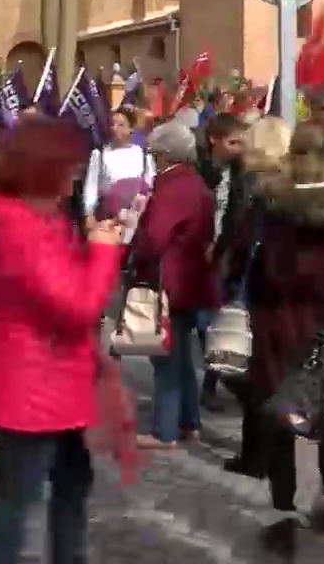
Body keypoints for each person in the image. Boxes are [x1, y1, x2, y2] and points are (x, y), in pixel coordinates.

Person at [0, 116, 124, 563]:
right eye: (69, 167)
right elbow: (78, 303)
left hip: (57, 381)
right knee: (17, 502)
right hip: (34, 390)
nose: (75, 176)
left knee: (71, 489)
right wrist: (102, 250)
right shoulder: (19, 227)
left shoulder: (41, 217)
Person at [226, 122, 324, 555]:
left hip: (276, 315)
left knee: (280, 403)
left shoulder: (269, 199)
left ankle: (286, 500)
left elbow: (242, 253)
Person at [130, 121, 218, 450]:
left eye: (154, 153)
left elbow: (153, 237)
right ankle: (188, 421)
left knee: (165, 358)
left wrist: (135, 240)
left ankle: (164, 430)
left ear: (166, 154)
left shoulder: (173, 186)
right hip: (190, 278)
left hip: (169, 279)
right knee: (180, 356)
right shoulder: (194, 182)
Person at [194, 112, 247, 410]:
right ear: (215, 140)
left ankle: (216, 380)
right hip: (201, 252)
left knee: (224, 317)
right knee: (205, 321)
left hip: (227, 252)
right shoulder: (200, 171)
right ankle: (211, 378)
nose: (238, 148)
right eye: (233, 142)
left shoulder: (242, 173)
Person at [81, 107, 155, 241]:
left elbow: (150, 185)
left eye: (121, 125)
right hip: (107, 219)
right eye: (112, 124)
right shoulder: (100, 153)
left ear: (131, 128)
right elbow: (91, 186)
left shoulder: (144, 155)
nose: (115, 128)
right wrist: (89, 213)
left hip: (136, 221)